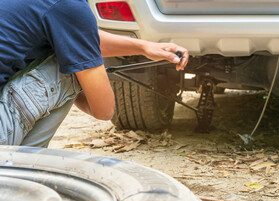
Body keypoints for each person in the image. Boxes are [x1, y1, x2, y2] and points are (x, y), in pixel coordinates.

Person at [0, 0, 189, 147]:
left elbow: (77, 33)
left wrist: (144, 47)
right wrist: (75, 77)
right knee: (67, 57)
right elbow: (104, 109)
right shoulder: (68, 6)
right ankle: (21, 172)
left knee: (69, 49)